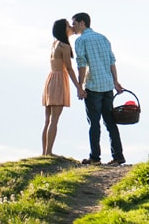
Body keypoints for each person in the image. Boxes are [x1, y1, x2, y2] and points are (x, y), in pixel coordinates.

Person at [71, 12, 126, 165]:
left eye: (74, 23)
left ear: (82, 23)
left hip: (93, 86)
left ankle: (95, 158)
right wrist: (116, 82)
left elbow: (81, 65)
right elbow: (112, 62)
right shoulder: (103, 38)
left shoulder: (81, 41)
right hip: (108, 86)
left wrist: (80, 86)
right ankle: (118, 156)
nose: (73, 27)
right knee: (110, 123)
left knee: (94, 124)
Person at [41, 19, 83, 156]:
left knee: (48, 120)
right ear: (63, 29)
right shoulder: (64, 46)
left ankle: (44, 152)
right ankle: (49, 152)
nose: (71, 27)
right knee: (54, 119)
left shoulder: (55, 44)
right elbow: (70, 69)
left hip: (51, 79)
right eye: (68, 25)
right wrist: (79, 87)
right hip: (59, 80)